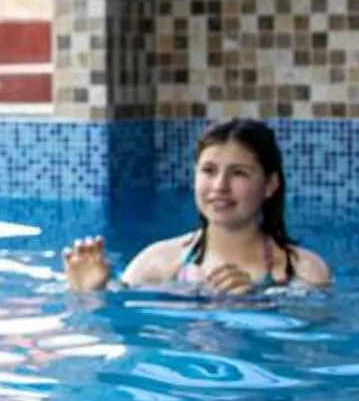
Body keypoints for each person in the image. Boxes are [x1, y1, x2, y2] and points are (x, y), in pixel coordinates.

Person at [62, 117, 332, 296]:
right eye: (208, 171)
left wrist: (256, 305)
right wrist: (89, 293)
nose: (219, 186)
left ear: (270, 184)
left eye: (238, 173)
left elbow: (309, 349)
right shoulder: (157, 264)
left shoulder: (304, 271)